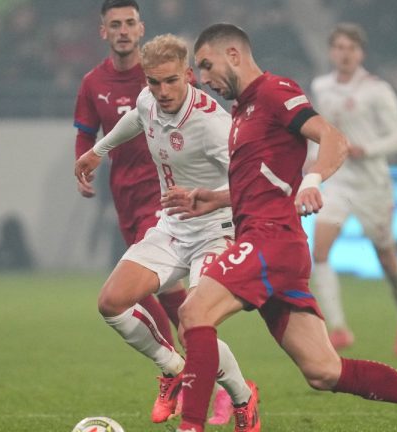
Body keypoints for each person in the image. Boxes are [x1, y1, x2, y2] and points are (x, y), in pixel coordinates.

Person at [161, 23, 397, 432]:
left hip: (271, 240)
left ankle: (190, 427)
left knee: (193, 312)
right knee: (324, 370)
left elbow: (333, 138)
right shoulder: (241, 111)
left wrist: (313, 180)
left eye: (206, 65)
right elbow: (264, 182)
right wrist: (217, 198)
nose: (203, 78)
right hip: (274, 245)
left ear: (233, 55)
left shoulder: (274, 91)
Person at [74, 33, 256, 430]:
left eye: (171, 80)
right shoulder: (148, 100)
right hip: (172, 227)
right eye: (154, 82)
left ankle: (243, 398)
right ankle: (172, 368)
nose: (163, 91)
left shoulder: (213, 124)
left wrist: (209, 198)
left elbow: (250, 183)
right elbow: (137, 117)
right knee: (111, 302)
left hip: (216, 231)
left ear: (188, 75)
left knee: (195, 326)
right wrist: (98, 151)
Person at [73, 0, 186, 360]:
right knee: (164, 290)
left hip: (163, 193)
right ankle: (197, 372)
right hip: (125, 197)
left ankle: (179, 369)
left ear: (141, 29)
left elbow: (193, 111)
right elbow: (85, 133)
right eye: (115, 25)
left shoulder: (161, 75)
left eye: (129, 23)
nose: (123, 31)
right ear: (103, 32)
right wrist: (83, 165)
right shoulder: (93, 83)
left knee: (138, 286)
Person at [308, 23, 397, 356]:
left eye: (351, 48)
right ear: (331, 52)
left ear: (361, 53)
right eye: (339, 47)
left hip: (372, 184)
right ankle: (338, 328)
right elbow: (319, 131)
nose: (345, 54)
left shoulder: (377, 90)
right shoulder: (321, 87)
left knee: (387, 258)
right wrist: (312, 163)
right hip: (338, 181)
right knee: (320, 251)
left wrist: (365, 149)